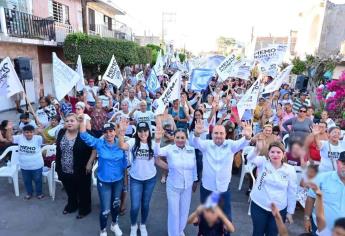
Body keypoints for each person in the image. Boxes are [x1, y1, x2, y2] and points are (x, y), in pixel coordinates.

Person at [192, 120, 252, 235]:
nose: (218, 136)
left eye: (221, 133)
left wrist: (248, 137)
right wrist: (196, 134)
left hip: (223, 189)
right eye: (216, 133)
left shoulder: (230, 145)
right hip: (207, 188)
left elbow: (243, 143)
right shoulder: (207, 145)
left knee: (225, 218)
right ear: (212, 135)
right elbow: (196, 142)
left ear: (225, 134)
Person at [78, 118, 127, 236]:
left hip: (118, 181)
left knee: (116, 205)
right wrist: (83, 119)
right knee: (105, 210)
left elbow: (124, 164)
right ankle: (103, 230)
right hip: (104, 182)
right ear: (103, 133)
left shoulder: (121, 143)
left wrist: (125, 182)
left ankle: (114, 224)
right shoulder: (99, 143)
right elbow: (83, 135)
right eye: (106, 131)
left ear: (115, 132)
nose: (109, 134)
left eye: (111, 131)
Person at [154, 123, 197, 236]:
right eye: (177, 137)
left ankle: (179, 230)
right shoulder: (170, 149)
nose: (180, 140)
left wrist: (195, 180)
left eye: (182, 137)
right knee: (174, 213)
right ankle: (173, 233)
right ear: (174, 138)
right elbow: (157, 153)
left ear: (186, 138)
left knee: (184, 212)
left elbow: (194, 166)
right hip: (173, 186)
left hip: (187, 186)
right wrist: (157, 141)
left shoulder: (191, 150)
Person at [247, 141, 297, 236]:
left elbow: (292, 192)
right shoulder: (263, 162)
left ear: (283, 154)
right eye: (272, 152)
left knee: (273, 233)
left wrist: (290, 212)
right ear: (268, 153)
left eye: (278, 152)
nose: (275, 155)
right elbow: (250, 158)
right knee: (258, 232)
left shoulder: (290, 169)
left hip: (279, 209)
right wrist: (257, 149)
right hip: (259, 205)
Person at [118, 120, 156, 236]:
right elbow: (122, 146)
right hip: (135, 179)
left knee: (145, 204)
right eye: (140, 131)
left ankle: (143, 225)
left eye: (145, 131)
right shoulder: (133, 141)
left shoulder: (153, 144)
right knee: (135, 206)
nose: (143, 133)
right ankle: (133, 225)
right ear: (137, 132)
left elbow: (159, 159)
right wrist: (121, 132)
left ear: (149, 132)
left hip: (150, 179)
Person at [55, 113, 93, 218]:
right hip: (64, 168)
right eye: (67, 121)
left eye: (72, 121)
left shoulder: (85, 134)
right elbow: (59, 150)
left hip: (81, 169)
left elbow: (95, 148)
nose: (69, 123)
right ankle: (72, 205)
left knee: (83, 191)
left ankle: (84, 209)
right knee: (70, 189)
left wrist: (90, 163)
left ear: (78, 122)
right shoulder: (61, 132)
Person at [304, 151, 345, 235]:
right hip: (321, 229)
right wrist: (307, 218)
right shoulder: (322, 178)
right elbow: (310, 198)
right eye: (343, 163)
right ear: (337, 162)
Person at [9, 125, 44, 199]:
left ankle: (39, 193)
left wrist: (42, 132)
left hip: (36, 165)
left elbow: (44, 141)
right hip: (24, 165)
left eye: (31, 132)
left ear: (34, 132)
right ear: (23, 133)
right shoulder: (19, 137)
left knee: (38, 180)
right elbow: (10, 139)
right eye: (26, 132)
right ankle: (29, 193)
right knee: (27, 181)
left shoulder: (38, 138)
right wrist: (8, 129)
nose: (29, 134)